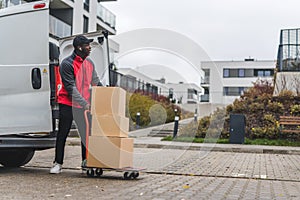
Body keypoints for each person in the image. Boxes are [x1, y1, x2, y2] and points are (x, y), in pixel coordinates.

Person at [50, 35, 102, 174]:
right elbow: (70, 87)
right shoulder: (67, 64)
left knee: (86, 135)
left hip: (83, 105)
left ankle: (86, 162)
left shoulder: (89, 63)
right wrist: (85, 103)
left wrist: (108, 93)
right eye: (87, 45)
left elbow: (96, 82)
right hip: (67, 103)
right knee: (63, 133)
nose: (89, 48)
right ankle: (58, 163)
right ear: (79, 47)